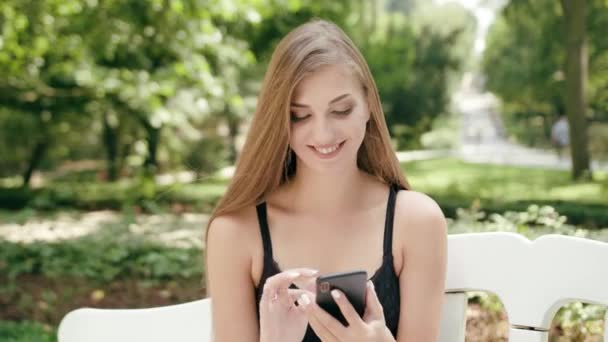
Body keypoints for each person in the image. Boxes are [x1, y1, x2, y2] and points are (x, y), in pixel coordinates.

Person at [205, 18, 447, 342]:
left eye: (341, 110)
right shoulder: (235, 232)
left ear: (369, 106)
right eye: (300, 115)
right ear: (280, 119)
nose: (323, 134)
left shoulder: (417, 222)